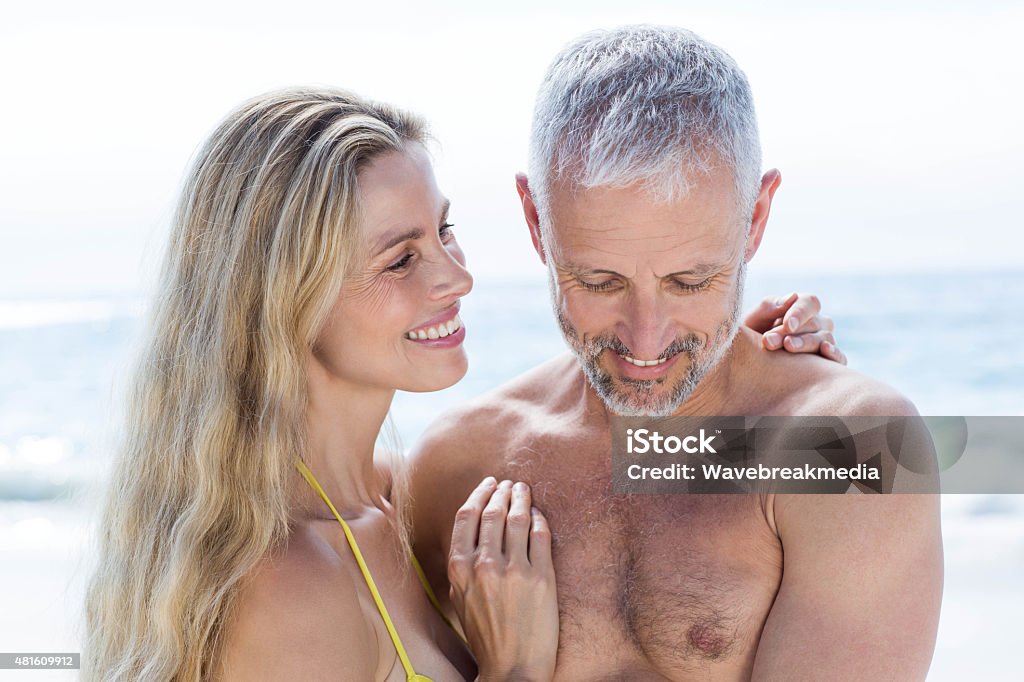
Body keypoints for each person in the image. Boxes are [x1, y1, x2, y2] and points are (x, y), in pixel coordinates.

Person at [83, 87, 841, 681]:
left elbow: (870, 464)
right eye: (400, 259)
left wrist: (740, 370)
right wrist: (511, 671)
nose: (458, 277)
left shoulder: (396, 495)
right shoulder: (286, 587)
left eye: (443, 232)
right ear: (283, 296)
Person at [409, 25, 943, 681]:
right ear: (536, 223)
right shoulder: (453, 466)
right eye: (598, 282)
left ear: (755, 218)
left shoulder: (849, 447)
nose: (645, 341)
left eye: (690, 282)